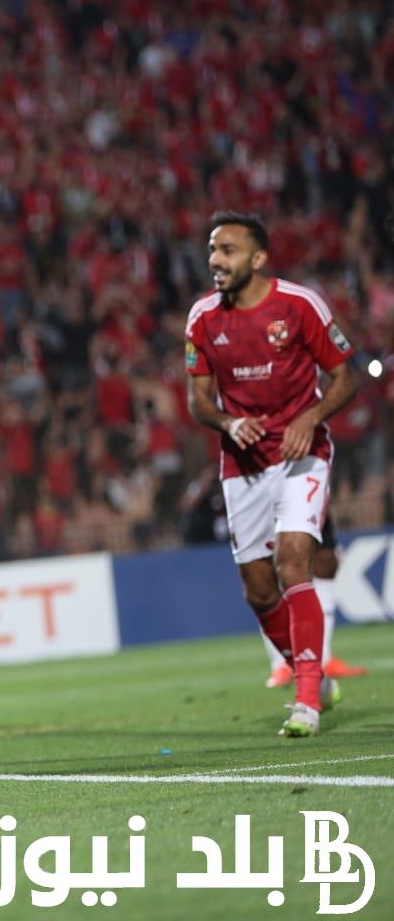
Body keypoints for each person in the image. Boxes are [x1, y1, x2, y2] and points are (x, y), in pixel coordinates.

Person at [185, 212, 360, 737]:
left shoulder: (299, 305)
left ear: (258, 258)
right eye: (213, 250)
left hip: (301, 452)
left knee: (293, 562)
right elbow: (197, 402)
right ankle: (313, 675)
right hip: (242, 464)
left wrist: (311, 416)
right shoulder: (202, 319)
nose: (216, 260)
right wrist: (226, 420)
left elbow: (345, 378)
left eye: (228, 250)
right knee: (259, 591)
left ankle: (306, 699)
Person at [261, 515, 366, 687]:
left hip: (306, 490)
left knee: (326, 560)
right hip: (263, 495)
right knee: (274, 563)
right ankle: (282, 664)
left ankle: (324, 659)